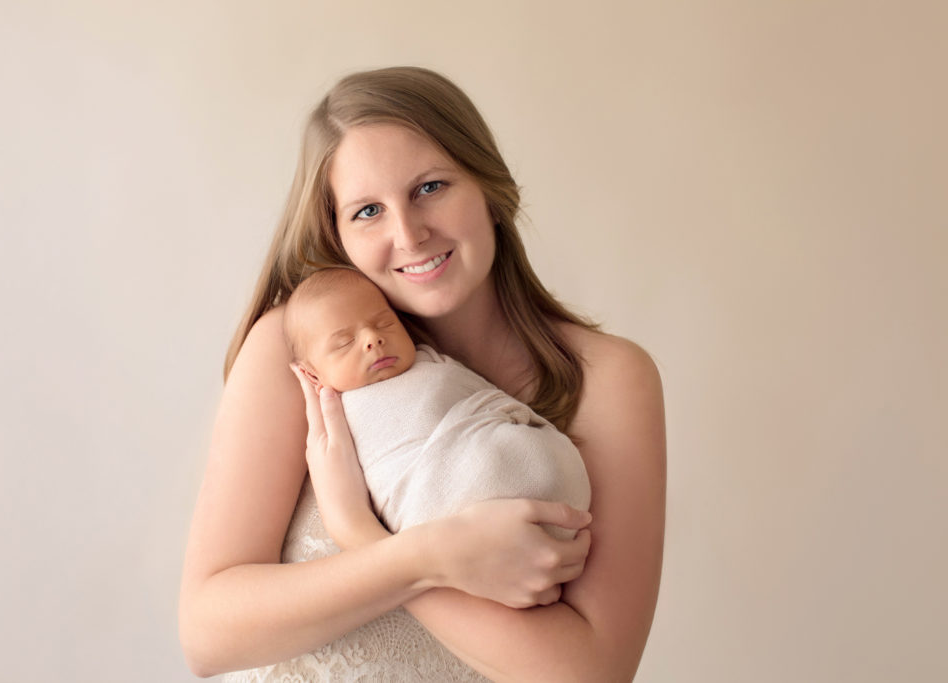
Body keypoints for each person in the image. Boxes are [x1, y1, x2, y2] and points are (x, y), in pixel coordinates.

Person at [179, 66, 666, 682]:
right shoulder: (296, 347)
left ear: (489, 186)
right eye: (367, 211)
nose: (408, 234)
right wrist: (425, 557)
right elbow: (207, 635)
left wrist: (366, 536)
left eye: (431, 187)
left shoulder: (609, 378)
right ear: (336, 231)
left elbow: (591, 674)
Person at [283, 266, 591, 540]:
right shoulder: (337, 417)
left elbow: (486, 401)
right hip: (438, 508)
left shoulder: (430, 362)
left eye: (384, 323)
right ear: (312, 374)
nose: (372, 339)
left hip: (525, 470)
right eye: (345, 342)